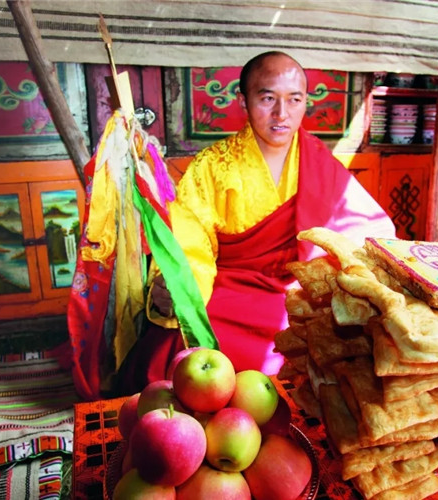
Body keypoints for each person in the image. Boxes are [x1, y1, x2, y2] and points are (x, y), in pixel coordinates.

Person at [117, 51, 395, 392]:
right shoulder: (212, 166)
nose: (282, 114)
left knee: (341, 335)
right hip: (232, 288)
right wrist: (183, 287)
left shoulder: (318, 162)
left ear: (305, 102)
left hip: (297, 290)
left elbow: (370, 228)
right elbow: (190, 242)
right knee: (184, 341)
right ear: (243, 101)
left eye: (294, 100)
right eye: (267, 99)